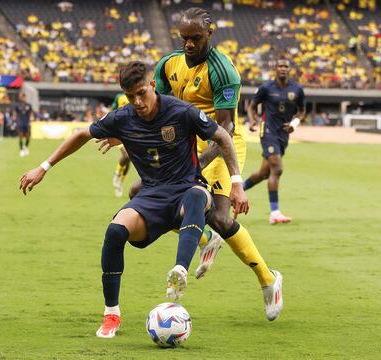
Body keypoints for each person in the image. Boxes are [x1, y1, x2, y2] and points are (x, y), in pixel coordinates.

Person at [19, 61, 249, 339]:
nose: (137, 102)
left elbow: (223, 136)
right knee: (115, 231)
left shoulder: (181, 111)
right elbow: (81, 135)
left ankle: (179, 270)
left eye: (142, 93)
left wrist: (236, 184)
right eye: (130, 96)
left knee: (197, 195)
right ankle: (111, 314)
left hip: (187, 188)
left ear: (152, 85)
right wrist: (43, 167)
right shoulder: (123, 117)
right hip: (151, 195)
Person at [128, 7, 283, 321]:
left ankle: (269, 280)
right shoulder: (168, 64)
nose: (188, 44)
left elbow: (224, 130)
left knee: (223, 219)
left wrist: (199, 166)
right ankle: (203, 238)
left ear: (209, 34)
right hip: (185, 148)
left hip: (220, 147)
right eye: (184, 37)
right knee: (138, 195)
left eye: (195, 38)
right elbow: (156, 107)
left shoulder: (223, 71)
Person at [244, 58, 306, 224]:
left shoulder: (297, 89)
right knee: (277, 168)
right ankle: (275, 213)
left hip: (283, 134)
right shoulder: (266, 88)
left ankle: (234, 192)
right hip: (268, 131)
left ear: (290, 69)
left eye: (286, 66)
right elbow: (251, 106)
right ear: (275, 69)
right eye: (280, 66)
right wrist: (253, 120)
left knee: (264, 173)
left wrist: (295, 123)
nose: (283, 69)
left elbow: (301, 111)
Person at [111, 92, 131, 197]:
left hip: (132, 130)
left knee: (129, 161)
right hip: (120, 130)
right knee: (126, 156)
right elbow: (113, 110)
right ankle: (117, 173)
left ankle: (120, 184)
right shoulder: (119, 96)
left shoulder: (135, 95)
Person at [15, 93, 33, 157]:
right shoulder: (17, 105)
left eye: (24, 97)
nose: (23, 98)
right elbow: (16, 113)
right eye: (22, 97)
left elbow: (31, 113)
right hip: (20, 123)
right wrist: (16, 121)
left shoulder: (29, 105)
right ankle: (21, 150)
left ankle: (26, 147)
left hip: (27, 123)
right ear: (20, 98)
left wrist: (31, 119)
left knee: (28, 136)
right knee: (20, 136)